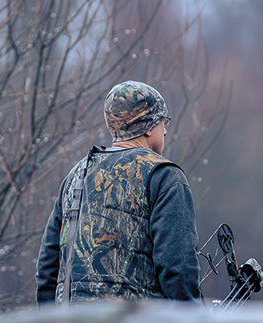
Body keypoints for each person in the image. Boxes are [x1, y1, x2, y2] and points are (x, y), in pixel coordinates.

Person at [35, 80, 202, 308]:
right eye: (162, 122)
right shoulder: (164, 175)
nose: (165, 130)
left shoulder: (77, 175)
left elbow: (47, 267)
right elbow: (178, 269)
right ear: (148, 126)